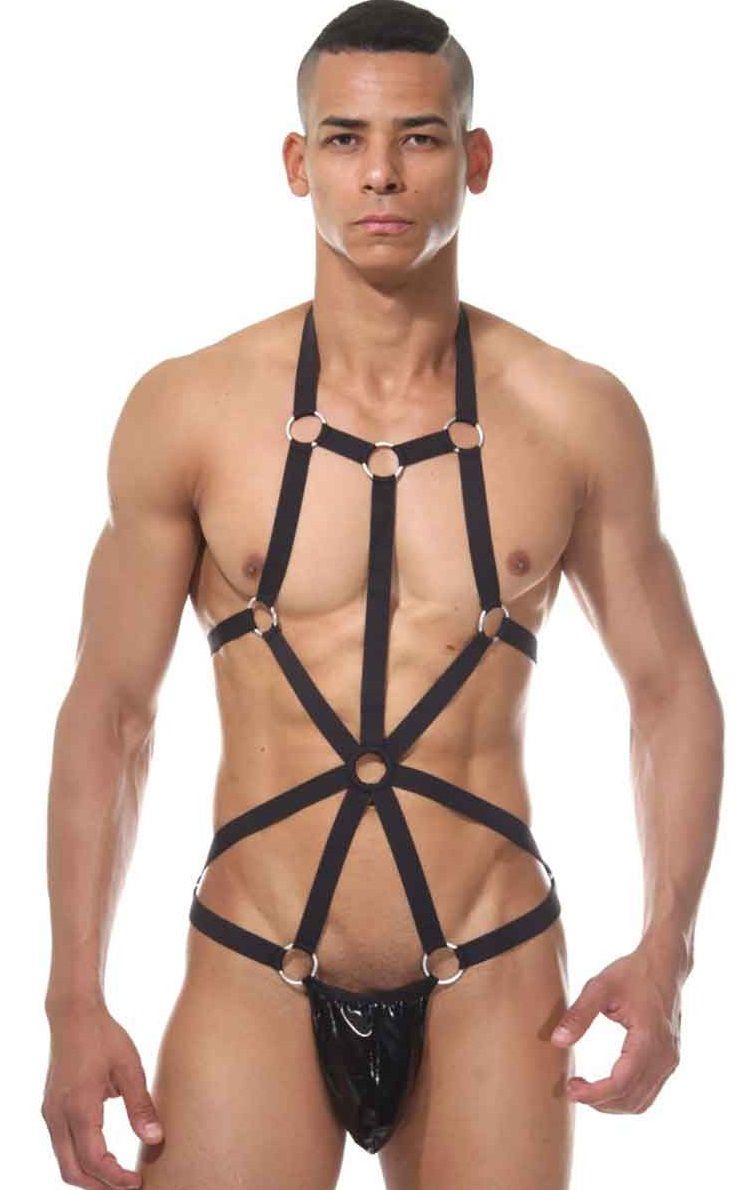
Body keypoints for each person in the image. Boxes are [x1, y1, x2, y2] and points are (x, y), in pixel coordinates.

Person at [41, 2, 724, 1187]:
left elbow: (671, 689)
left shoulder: (574, 414)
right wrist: (73, 997)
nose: (380, 175)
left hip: (491, 963)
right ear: (297, 161)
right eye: (346, 138)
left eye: (418, 137)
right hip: (255, 958)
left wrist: (668, 947)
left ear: (474, 157)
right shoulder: (189, 409)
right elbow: (109, 711)